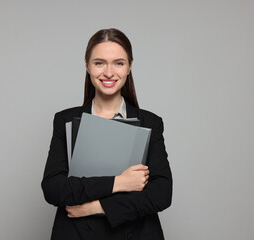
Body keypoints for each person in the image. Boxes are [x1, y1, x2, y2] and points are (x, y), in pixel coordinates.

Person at [41, 28, 172, 240]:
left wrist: (97, 207)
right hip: (77, 234)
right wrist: (119, 182)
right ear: (87, 65)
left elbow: (162, 193)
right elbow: (53, 188)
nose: (109, 72)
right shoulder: (64, 121)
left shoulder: (151, 123)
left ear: (129, 67)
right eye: (99, 62)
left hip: (135, 233)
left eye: (118, 63)